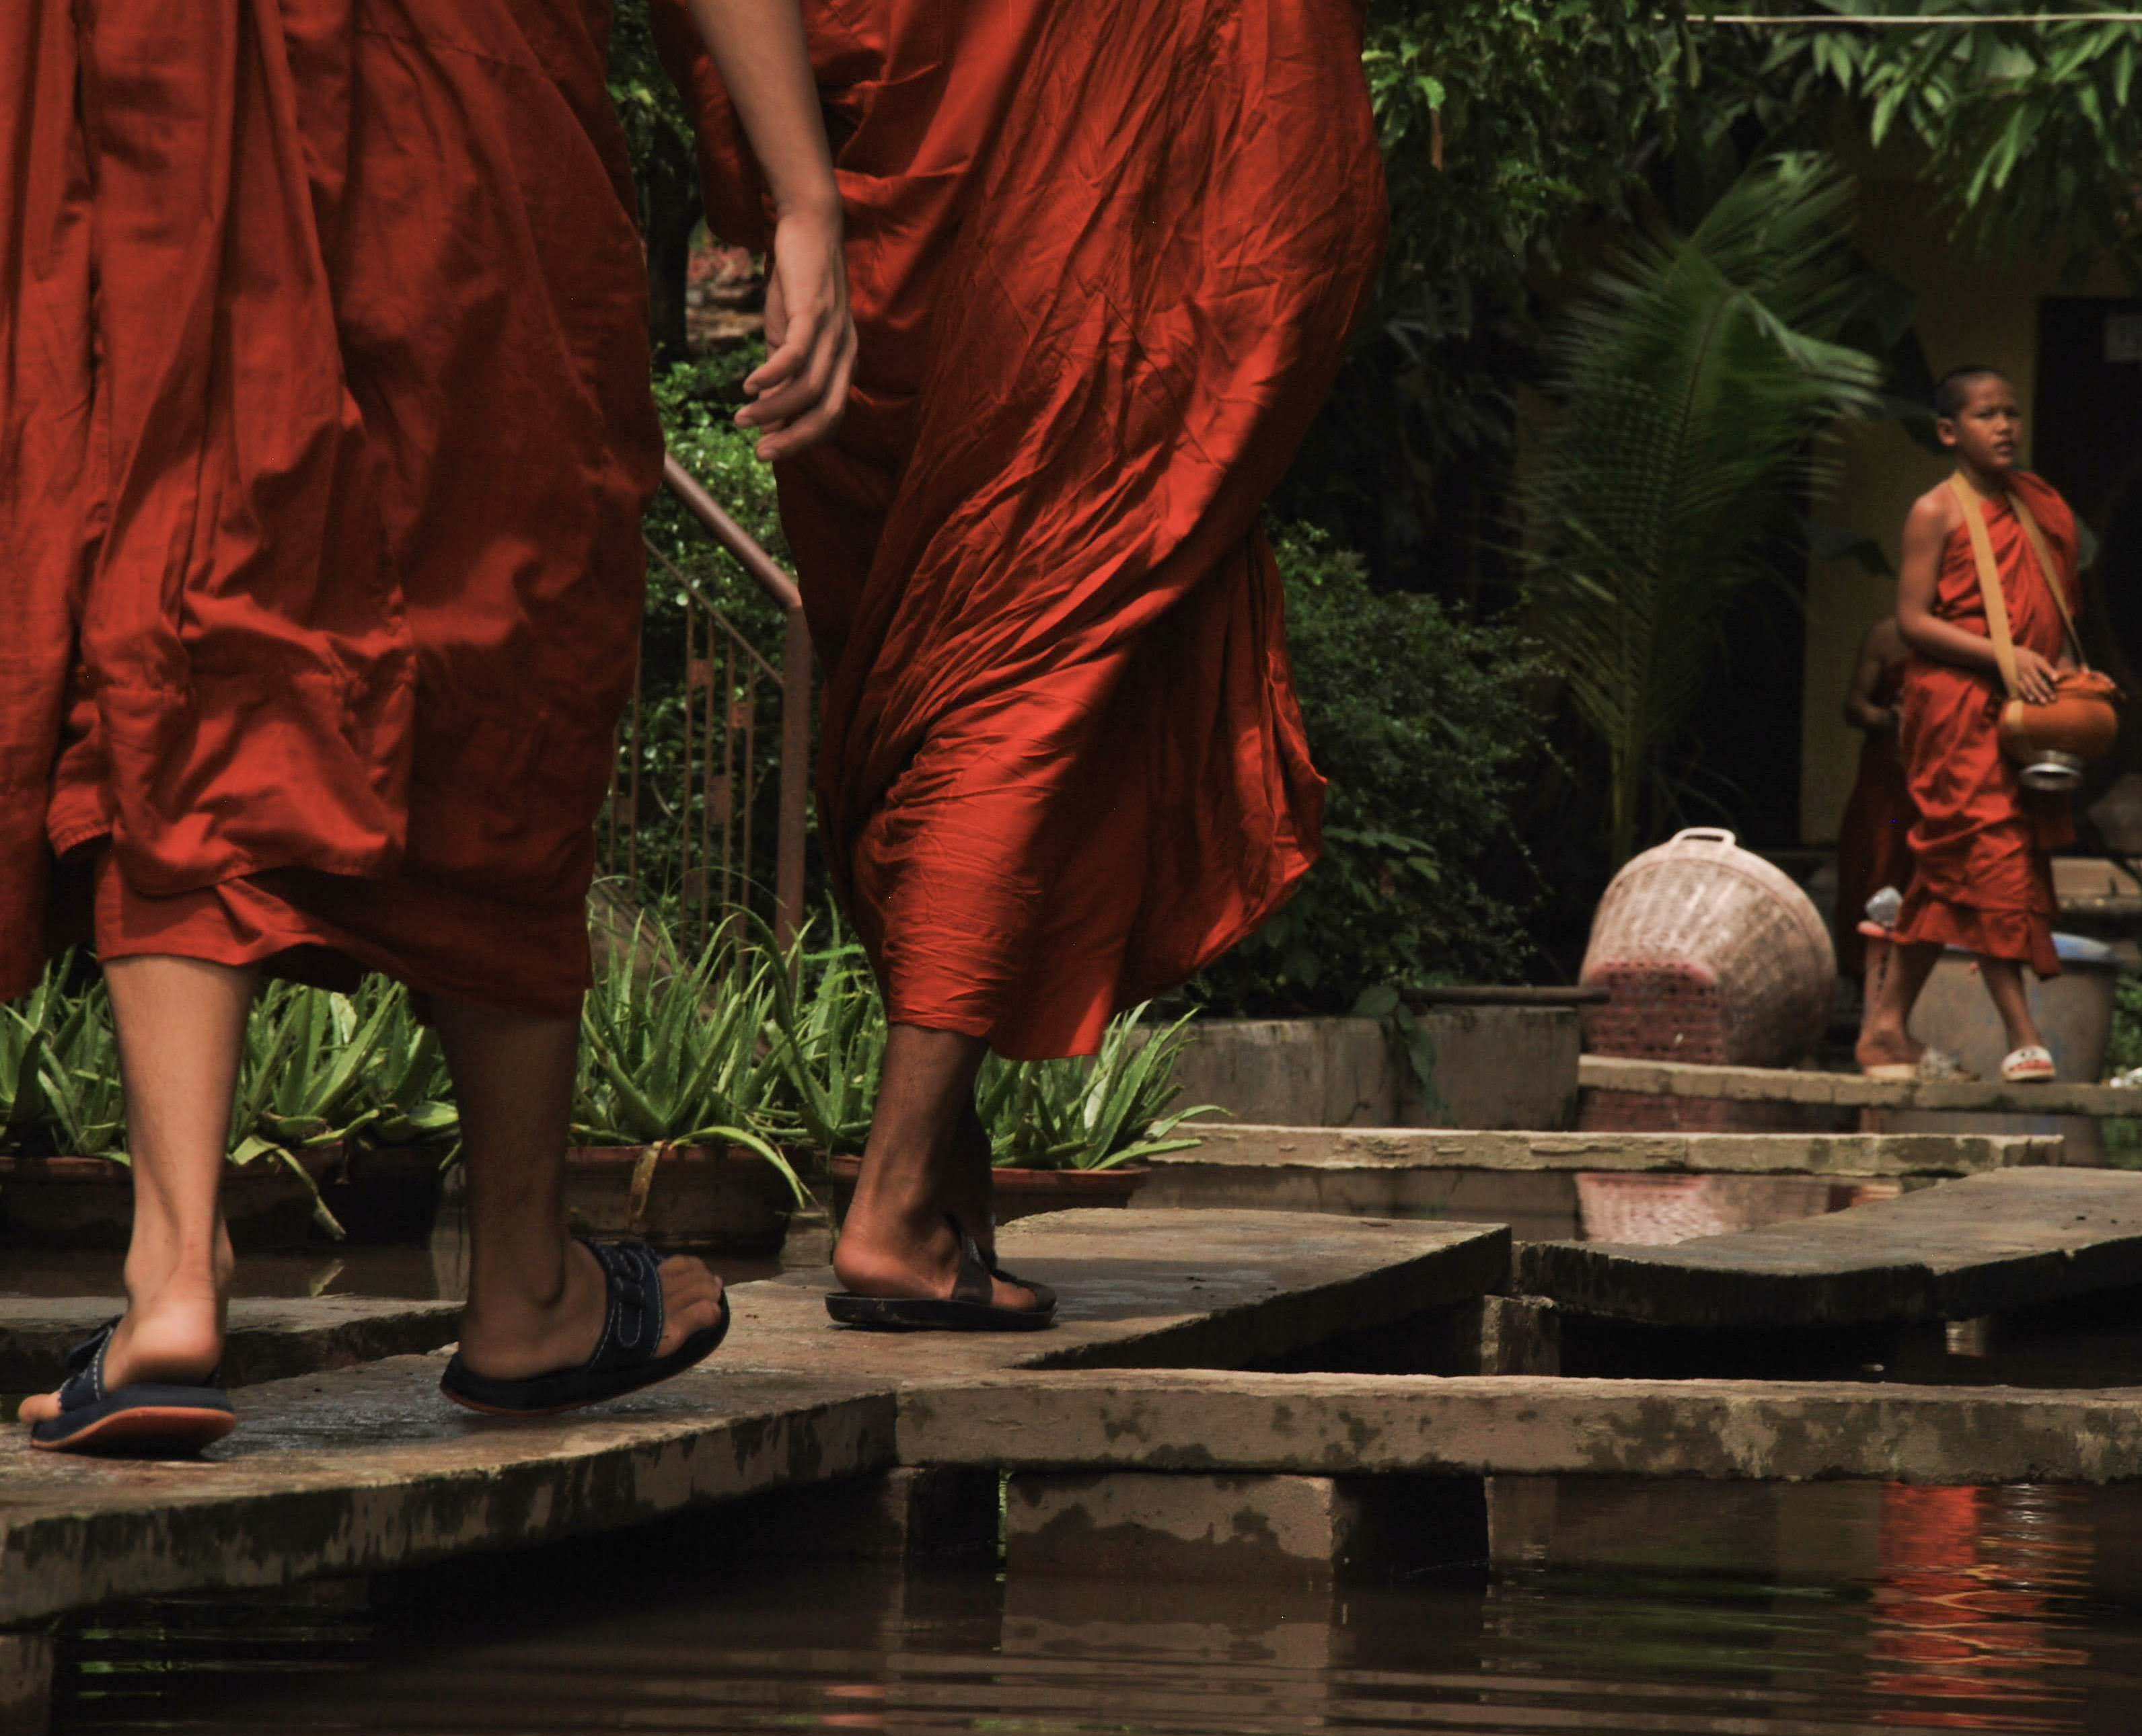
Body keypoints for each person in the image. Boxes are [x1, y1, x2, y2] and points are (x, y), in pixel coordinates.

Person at [3, 0, 850, 1453]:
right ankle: (524, 1278)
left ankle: (173, 1281)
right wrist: (804, 194)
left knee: (193, 608)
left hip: (169, 88)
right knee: (499, 630)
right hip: (470, 113)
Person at [654, 0, 1389, 1326]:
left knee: (929, 681)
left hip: (865, 195)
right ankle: (889, 1196)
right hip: (1055, 222)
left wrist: (799, 198)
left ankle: (933, 1163)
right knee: (1015, 669)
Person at [1855, 367, 2099, 1084]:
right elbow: (1911, 619)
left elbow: (2052, 614)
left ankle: (1884, 1029)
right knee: (1992, 856)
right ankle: (2022, 1033)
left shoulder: (2036, 505)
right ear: (1947, 431)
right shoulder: (1934, 510)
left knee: (1949, 868)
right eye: (1986, 415)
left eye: (2011, 413)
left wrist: (2062, 671)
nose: (2004, 427)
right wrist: (2001, 654)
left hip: (2020, 708)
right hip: (1953, 707)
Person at [1834, 615, 1921, 1050]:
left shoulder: (1977, 637)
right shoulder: (1889, 633)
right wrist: (1889, 718)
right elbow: (1854, 704)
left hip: (1941, 780)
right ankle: (1861, 990)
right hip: (1887, 779)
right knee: (1874, 868)